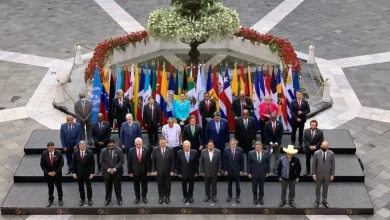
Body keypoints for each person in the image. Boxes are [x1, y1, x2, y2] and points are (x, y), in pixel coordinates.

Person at [99, 139, 124, 206]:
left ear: (114, 144)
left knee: (118, 187)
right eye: (110, 146)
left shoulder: (119, 151)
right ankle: (107, 199)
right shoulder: (103, 151)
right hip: (107, 173)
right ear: (107, 145)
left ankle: (119, 199)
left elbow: (121, 161)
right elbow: (101, 162)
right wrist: (109, 169)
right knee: (108, 188)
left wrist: (115, 169)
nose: (111, 147)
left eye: (113, 145)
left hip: (117, 172)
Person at [152, 137, 175, 204]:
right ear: (159, 143)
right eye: (161, 143)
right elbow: (153, 161)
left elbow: (172, 161)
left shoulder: (170, 149)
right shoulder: (155, 150)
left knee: (168, 185)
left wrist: (172, 170)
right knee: (160, 185)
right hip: (158, 171)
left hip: (168, 171)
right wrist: (154, 170)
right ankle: (161, 197)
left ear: (166, 142)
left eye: (164, 143)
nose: (162, 144)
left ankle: (167, 197)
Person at [40, 142, 64, 207]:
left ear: (54, 147)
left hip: (57, 174)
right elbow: (42, 165)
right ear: (47, 148)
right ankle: (50, 199)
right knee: (50, 187)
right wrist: (48, 172)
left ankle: (60, 198)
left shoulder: (59, 153)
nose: (50, 149)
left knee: (59, 187)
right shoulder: (44, 153)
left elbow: (61, 164)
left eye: (52, 148)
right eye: (49, 148)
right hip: (48, 175)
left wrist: (55, 172)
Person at [128, 137, 151, 204]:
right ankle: (137, 197)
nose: (138, 145)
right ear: (135, 144)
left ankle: (144, 197)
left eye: (139, 144)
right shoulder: (131, 151)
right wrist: (130, 172)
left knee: (144, 185)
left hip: (144, 171)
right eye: (137, 144)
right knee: (136, 186)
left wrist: (149, 171)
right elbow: (129, 162)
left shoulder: (146, 150)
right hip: (135, 172)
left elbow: (149, 161)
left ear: (142, 143)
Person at [312, 141, 335, 209]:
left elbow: (333, 165)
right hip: (318, 174)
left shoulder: (331, 154)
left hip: (327, 175)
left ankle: (324, 200)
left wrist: (332, 174)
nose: (323, 147)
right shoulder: (316, 153)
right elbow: (313, 165)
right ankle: (317, 200)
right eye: (322, 146)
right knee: (317, 188)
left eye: (325, 146)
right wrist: (313, 174)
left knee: (325, 188)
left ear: (327, 146)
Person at [72, 140, 95, 206]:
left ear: (85, 146)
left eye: (83, 145)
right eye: (81, 145)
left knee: (88, 187)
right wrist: (74, 172)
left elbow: (92, 164)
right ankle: (82, 199)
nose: (82, 147)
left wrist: (92, 173)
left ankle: (89, 199)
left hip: (88, 173)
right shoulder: (75, 152)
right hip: (79, 174)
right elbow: (73, 163)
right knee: (80, 187)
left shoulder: (90, 152)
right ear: (79, 146)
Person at [223, 138, 244, 203]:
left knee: (237, 184)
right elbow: (224, 161)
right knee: (229, 184)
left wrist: (241, 170)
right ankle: (229, 195)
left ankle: (238, 196)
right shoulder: (226, 150)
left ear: (236, 144)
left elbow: (242, 161)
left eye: (234, 144)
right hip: (229, 170)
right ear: (230, 144)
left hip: (237, 170)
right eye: (232, 144)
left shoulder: (240, 150)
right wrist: (225, 170)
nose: (233, 145)